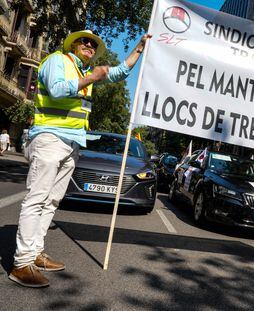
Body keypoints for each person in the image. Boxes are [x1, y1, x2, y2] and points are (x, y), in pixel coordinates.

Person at [9, 30, 151, 288]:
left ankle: (36, 253)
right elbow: (56, 90)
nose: (89, 45)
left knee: (52, 200)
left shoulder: (82, 71)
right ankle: (21, 263)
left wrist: (139, 49)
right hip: (50, 138)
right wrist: (91, 78)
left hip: (71, 143)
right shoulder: (58, 60)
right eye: (83, 41)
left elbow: (118, 72)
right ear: (72, 44)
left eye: (92, 44)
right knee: (37, 198)